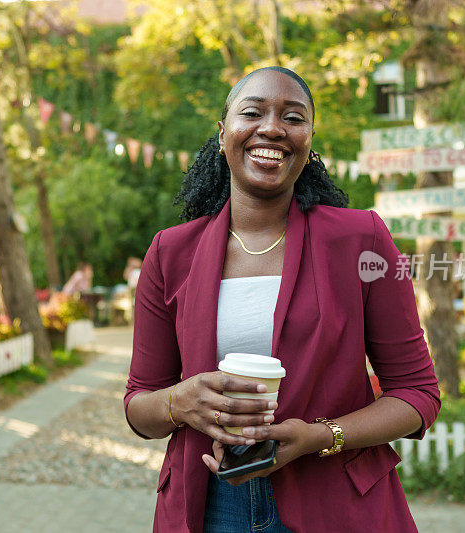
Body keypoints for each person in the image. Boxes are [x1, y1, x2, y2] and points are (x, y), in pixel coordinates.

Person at [124, 67, 440, 532]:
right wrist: (179, 402)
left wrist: (319, 437)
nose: (272, 127)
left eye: (293, 117)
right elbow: (139, 407)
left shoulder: (360, 239)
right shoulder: (171, 253)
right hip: (210, 505)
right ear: (222, 133)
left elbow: (418, 394)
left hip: (336, 503)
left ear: (309, 138)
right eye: (252, 112)